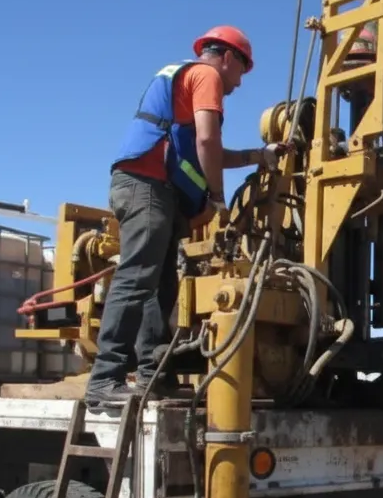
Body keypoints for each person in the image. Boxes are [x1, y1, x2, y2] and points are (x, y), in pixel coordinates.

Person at [84, 25, 290, 408]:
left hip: (150, 187)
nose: (239, 85)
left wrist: (259, 155)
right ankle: (105, 380)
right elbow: (207, 141)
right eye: (241, 72)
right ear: (227, 57)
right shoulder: (207, 75)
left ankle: (153, 375)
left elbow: (208, 151)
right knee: (136, 278)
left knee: (160, 286)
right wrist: (217, 199)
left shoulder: (183, 79)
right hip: (146, 186)